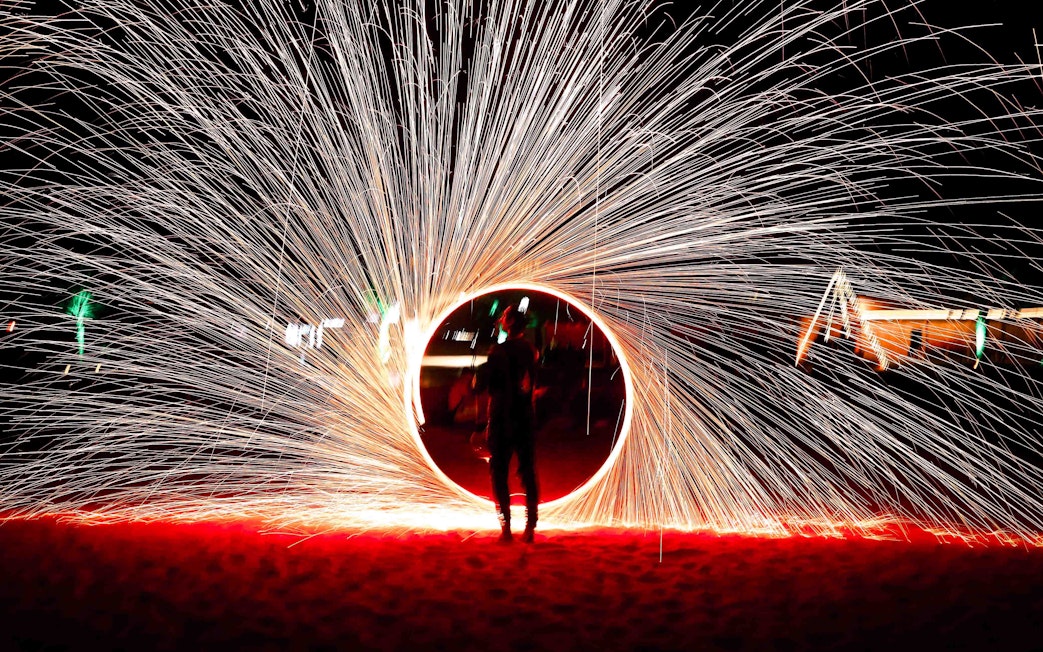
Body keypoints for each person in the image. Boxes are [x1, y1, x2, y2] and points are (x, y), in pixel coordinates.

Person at [478, 304, 539, 543]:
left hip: (503, 418)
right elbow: (530, 384)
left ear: (511, 322)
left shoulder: (497, 351)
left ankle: (506, 530)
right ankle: (530, 528)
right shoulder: (531, 350)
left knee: (499, 473)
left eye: (504, 316)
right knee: (528, 473)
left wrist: (476, 381)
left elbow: (486, 386)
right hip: (525, 417)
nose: (500, 319)